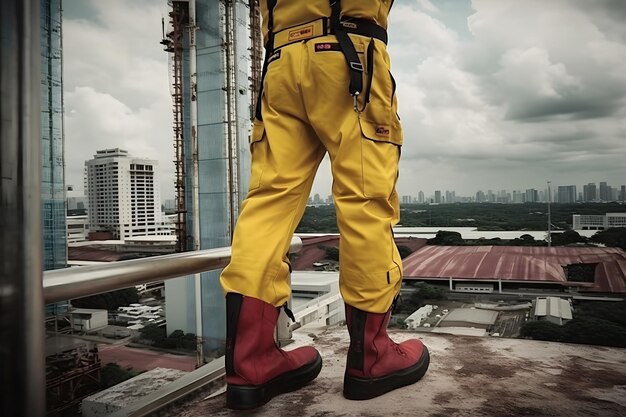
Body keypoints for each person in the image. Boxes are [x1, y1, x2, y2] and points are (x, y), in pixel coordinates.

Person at [219, 0, 429, 410]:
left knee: (267, 205)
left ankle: (251, 362)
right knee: (364, 203)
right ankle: (372, 357)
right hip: (349, 54)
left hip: (279, 65)